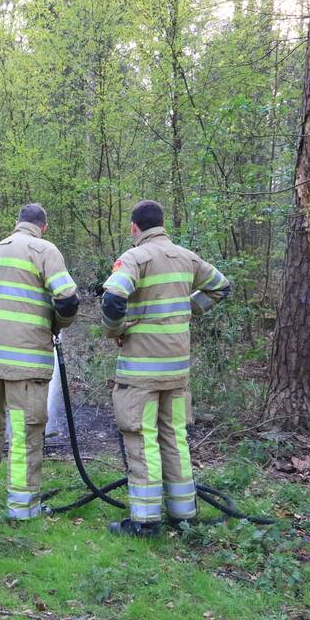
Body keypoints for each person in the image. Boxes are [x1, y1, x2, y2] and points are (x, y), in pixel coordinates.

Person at [100, 200, 230, 537]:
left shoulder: (135, 258)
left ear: (134, 228)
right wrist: (187, 310)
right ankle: (183, 514)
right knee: (174, 437)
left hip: (141, 371)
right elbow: (221, 286)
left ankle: (144, 522)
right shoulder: (187, 257)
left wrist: (117, 330)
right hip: (177, 371)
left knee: (142, 440)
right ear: (161, 224)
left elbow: (113, 299)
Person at [0, 203, 80, 520]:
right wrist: (59, 323)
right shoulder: (45, 250)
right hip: (25, 363)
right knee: (25, 433)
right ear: (43, 226)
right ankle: (22, 507)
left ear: (17, 223)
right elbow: (68, 298)